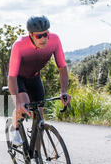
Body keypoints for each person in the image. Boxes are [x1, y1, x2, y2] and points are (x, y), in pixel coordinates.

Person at [8, 15, 71, 147]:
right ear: (30, 35)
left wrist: (64, 91)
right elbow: (12, 76)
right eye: (39, 36)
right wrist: (17, 102)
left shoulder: (54, 40)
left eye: (45, 34)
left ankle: (39, 157)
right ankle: (16, 128)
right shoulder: (19, 45)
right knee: (24, 105)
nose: (43, 38)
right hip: (19, 78)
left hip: (35, 77)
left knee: (39, 119)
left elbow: (62, 67)